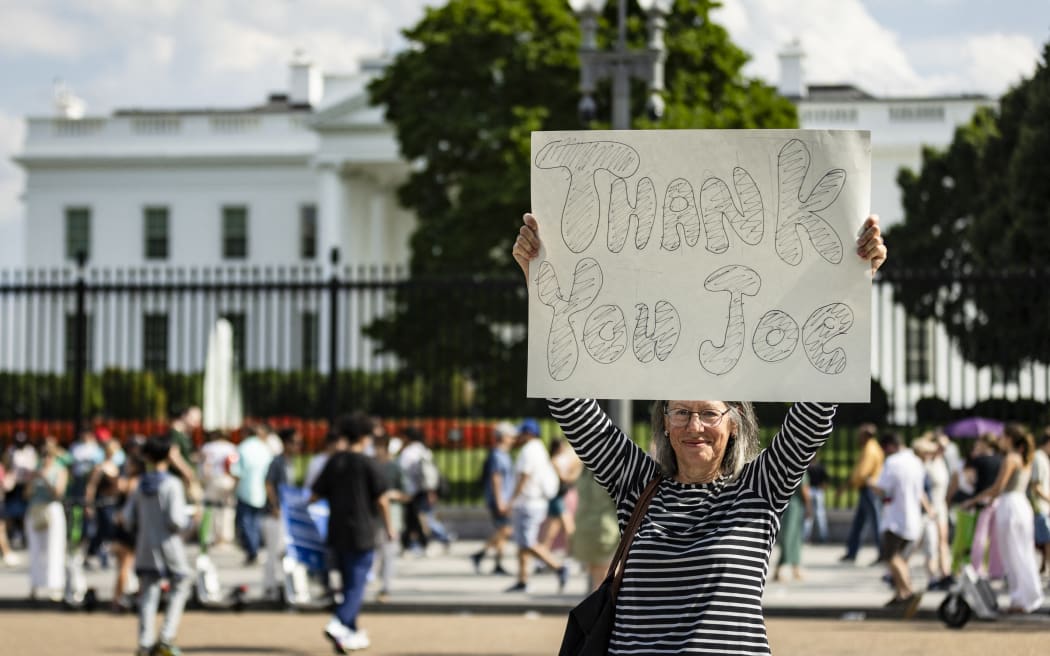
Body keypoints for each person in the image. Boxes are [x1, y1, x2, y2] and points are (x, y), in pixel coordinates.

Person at [512, 210, 886, 652]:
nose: (695, 427)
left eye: (709, 413)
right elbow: (570, 403)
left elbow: (815, 411)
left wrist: (853, 279)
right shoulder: (638, 486)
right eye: (680, 413)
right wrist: (540, 282)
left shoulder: (759, 489)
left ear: (734, 421)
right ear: (664, 423)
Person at [311, 412, 393, 653]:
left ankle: (350, 633)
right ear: (365, 437)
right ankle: (338, 623)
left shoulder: (334, 461)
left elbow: (315, 494)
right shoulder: (368, 463)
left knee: (348, 584)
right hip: (362, 530)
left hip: (337, 531)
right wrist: (389, 527)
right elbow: (383, 499)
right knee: (357, 584)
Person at [963, 423, 1044, 613]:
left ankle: (1020, 599)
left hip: (1010, 505)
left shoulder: (1011, 458)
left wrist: (974, 500)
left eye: (1003, 437)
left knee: (1012, 553)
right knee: (1022, 552)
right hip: (1021, 504)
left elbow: (998, 488)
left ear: (1010, 439)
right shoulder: (1026, 459)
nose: (1000, 440)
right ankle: (1028, 596)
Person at [123, 435, 192, 656]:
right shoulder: (172, 483)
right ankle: (166, 636)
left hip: (145, 544)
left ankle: (145, 642)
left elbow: (127, 517)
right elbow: (176, 520)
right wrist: (192, 519)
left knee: (148, 593)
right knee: (181, 583)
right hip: (168, 544)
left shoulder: (140, 484)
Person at [505, 417, 569, 594]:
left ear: (528, 434)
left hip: (528, 502)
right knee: (521, 543)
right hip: (533, 501)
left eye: (522, 433)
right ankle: (522, 580)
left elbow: (524, 476)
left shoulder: (529, 450)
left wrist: (511, 500)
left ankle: (558, 567)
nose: (519, 437)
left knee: (528, 542)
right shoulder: (539, 448)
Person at [872, 431, 929, 617]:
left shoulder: (893, 462)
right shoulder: (916, 462)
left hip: (895, 519)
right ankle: (900, 595)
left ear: (888, 447)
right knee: (901, 559)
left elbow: (883, 488)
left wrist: (869, 482)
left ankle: (908, 592)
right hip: (913, 518)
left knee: (891, 557)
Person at [470, 421, 518, 576]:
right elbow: (495, 478)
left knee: (503, 531)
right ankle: (480, 554)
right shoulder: (497, 455)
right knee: (505, 530)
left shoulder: (502, 454)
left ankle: (496, 561)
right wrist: (500, 501)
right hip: (499, 500)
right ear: (502, 437)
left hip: (503, 499)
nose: (513, 439)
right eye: (510, 436)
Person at [262, 427, 302, 599]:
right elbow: (269, 484)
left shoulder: (292, 462)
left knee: (285, 551)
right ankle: (269, 585)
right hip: (276, 512)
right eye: (294, 443)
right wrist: (275, 505)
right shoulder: (277, 461)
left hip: (288, 511)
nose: (297, 446)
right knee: (273, 551)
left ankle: (283, 583)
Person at [25, 439, 68, 601]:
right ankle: (35, 585)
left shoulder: (60, 470)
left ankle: (54, 586)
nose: (46, 458)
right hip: (35, 510)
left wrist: (45, 479)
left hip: (52, 510)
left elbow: (58, 493)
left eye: (49, 455)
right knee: (35, 549)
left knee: (54, 548)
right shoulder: (35, 470)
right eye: (43, 455)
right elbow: (26, 494)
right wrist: (33, 480)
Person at [839, 423, 884, 563]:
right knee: (860, 522)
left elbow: (861, 473)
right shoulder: (872, 447)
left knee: (876, 522)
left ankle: (883, 552)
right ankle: (852, 552)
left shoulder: (870, 450)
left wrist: (846, 486)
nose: (858, 437)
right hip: (867, 489)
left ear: (865, 436)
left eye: (860, 434)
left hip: (869, 490)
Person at [912, 434, 952, 589]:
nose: (943, 449)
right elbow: (920, 489)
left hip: (940, 505)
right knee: (924, 544)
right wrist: (928, 508)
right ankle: (932, 574)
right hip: (929, 507)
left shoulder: (942, 462)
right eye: (940, 446)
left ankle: (944, 573)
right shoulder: (924, 463)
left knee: (942, 541)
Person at [569, 468, 619, 592]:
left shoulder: (585, 470)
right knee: (605, 579)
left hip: (589, 528)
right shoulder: (611, 470)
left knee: (598, 577)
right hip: (603, 529)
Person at [231, 423, 273, 566]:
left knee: (246, 522)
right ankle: (254, 548)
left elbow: (236, 472)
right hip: (261, 490)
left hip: (246, 490)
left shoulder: (242, 448)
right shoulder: (264, 448)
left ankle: (252, 550)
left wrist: (232, 490)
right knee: (255, 522)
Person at [539, 437, 583, 555]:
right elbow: (565, 478)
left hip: (558, 497)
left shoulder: (559, 460)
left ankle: (543, 554)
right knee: (569, 529)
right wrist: (577, 470)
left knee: (552, 531)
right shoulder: (554, 461)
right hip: (557, 497)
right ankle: (571, 555)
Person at [198, 429, 237, 547]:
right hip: (228, 479)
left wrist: (204, 481)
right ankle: (225, 537)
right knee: (227, 509)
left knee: (211, 508)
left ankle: (211, 535)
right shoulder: (231, 447)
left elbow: (206, 466)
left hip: (214, 479)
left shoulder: (208, 447)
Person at [774, 471, 811, 582]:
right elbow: (804, 488)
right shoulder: (800, 466)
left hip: (786, 505)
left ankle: (796, 568)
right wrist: (809, 505)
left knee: (794, 537)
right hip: (793, 506)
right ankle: (780, 568)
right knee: (790, 537)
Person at [1031, 428, 1050, 578]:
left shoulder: (1042, 457)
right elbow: (1036, 486)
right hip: (1041, 507)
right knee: (1046, 541)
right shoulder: (1038, 457)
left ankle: (1043, 569)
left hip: (1043, 506)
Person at [803, 454, 830, 543]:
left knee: (809, 515)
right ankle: (823, 536)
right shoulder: (821, 467)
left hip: (810, 490)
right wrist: (822, 487)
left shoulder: (807, 468)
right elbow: (826, 481)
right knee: (820, 514)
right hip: (818, 491)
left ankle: (806, 537)